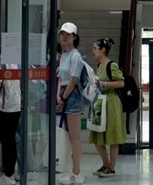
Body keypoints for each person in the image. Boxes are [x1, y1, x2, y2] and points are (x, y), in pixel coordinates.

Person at [88, 38, 126, 178]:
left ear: (103, 50)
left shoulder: (111, 65)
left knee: (112, 134)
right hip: (99, 102)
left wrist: (103, 84)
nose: (93, 51)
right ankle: (106, 164)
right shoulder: (99, 66)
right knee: (97, 134)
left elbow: (121, 83)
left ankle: (111, 168)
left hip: (111, 103)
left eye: (95, 48)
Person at [56, 22, 85, 184]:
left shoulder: (75, 56)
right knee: (70, 137)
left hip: (72, 95)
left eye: (68, 34)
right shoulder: (64, 55)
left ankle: (77, 172)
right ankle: (72, 169)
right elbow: (61, 78)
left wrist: (64, 98)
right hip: (65, 94)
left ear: (74, 36)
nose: (64, 36)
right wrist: (59, 97)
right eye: (62, 34)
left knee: (75, 137)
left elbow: (73, 80)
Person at [0, 64, 22, 185]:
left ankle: (9, 173)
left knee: (7, 140)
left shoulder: (4, 64)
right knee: (9, 140)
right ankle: (10, 171)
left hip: (6, 107)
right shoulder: (18, 63)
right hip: (15, 105)